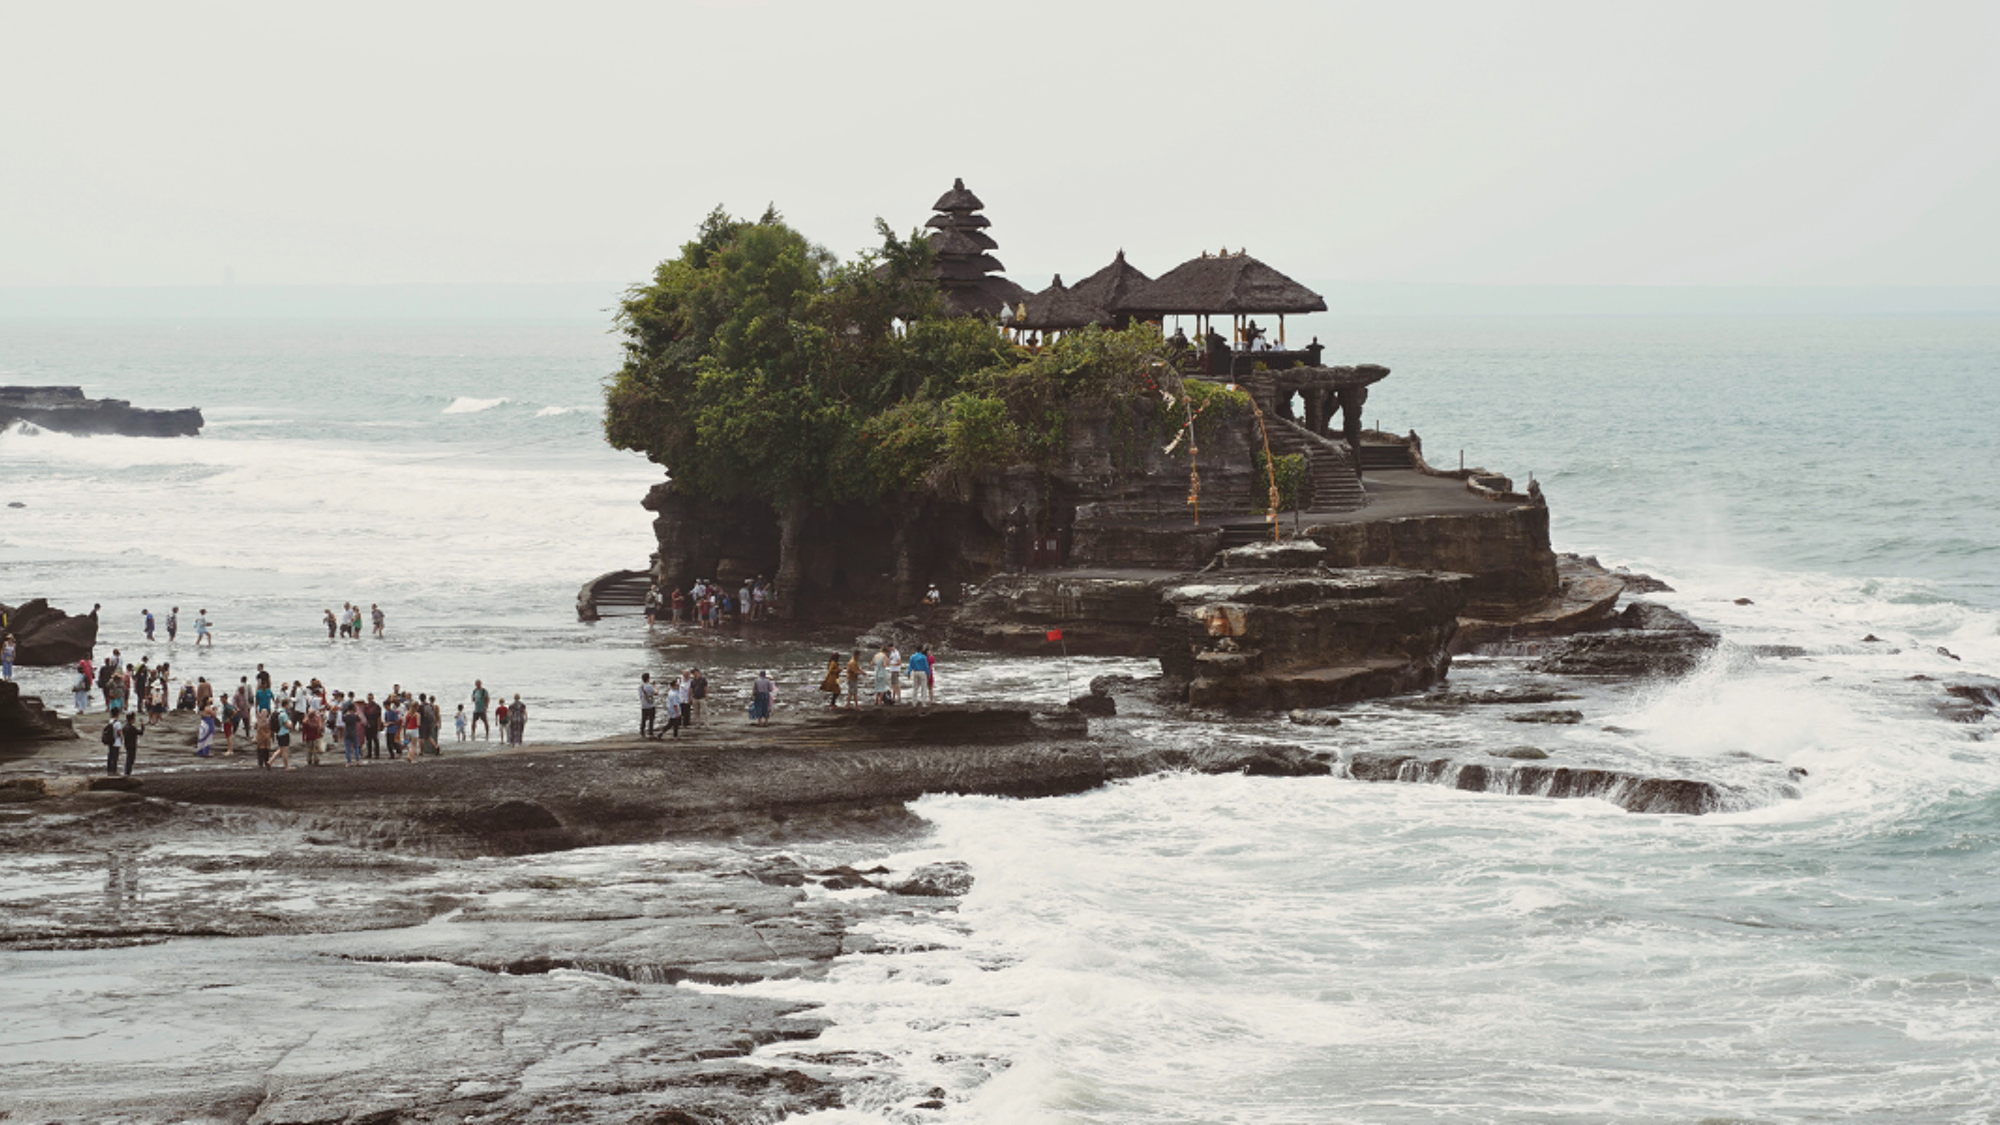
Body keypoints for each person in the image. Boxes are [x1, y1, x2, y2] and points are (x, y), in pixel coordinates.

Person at [639, 673, 657, 738]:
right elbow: (656, 693)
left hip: (643, 705)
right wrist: (655, 686)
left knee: (643, 719)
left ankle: (642, 731)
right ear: (648, 679)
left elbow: (640, 695)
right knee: (651, 719)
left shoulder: (640, 686)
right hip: (650, 705)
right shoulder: (649, 686)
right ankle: (650, 733)